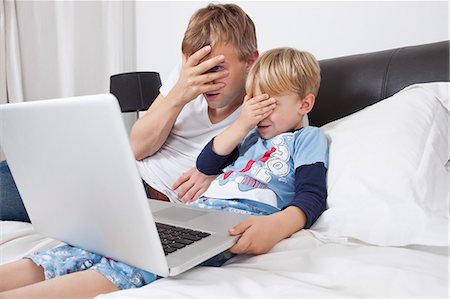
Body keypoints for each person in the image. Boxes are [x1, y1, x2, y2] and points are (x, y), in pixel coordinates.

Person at [0, 3, 261, 298]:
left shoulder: (264, 106)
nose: (206, 80)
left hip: (154, 199)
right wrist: (179, 93)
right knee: (22, 171)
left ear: (251, 61)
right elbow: (136, 147)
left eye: (217, 68)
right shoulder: (187, 81)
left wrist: (209, 171)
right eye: (198, 68)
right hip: (121, 174)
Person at [190, 47, 328, 254]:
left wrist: (277, 226)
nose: (260, 115)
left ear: (304, 104)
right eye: (255, 104)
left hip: (245, 214)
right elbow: (206, 164)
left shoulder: (307, 138)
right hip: (203, 207)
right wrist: (242, 124)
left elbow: (312, 195)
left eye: (270, 105)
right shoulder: (250, 136)